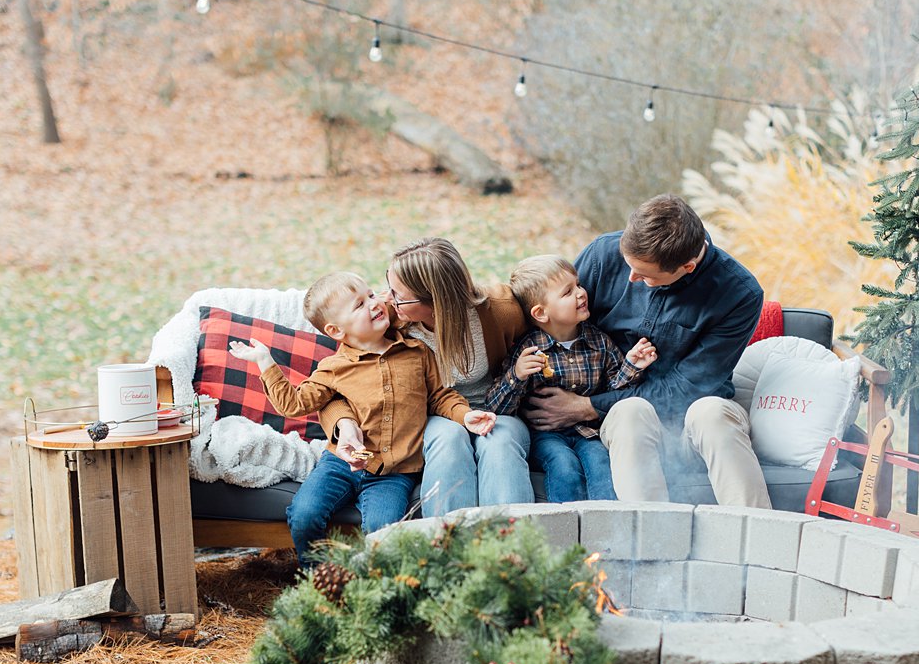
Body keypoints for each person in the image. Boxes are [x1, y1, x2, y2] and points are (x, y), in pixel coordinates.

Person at [228, 271, 495, 564]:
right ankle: (319, 580)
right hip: (339, 465)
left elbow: (440, 397)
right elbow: (294, 403)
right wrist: (265, 363)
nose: (374, 303)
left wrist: (465, 415)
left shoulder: (416, 353)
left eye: (370, 294)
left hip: (393, 473)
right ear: (336, 331)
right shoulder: (334, 367)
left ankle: (368, 586)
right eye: (359, 305)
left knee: (384, 532)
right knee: (305, 513)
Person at [522, 194, 769, 507]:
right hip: (621, 419)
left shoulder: (739, 293)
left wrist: (587, 406)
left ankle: (759, 541)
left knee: (713, 414)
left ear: (687, 266)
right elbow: (553, 319)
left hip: (689, 418)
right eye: (628, 264)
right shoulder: (603, 255)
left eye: (644, 274)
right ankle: (650, 547)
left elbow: (687, 389)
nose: (631, 278)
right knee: (631, 412)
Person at [325, 238, 534, 516]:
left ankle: (510, 550)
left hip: (497, 410)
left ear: (436, 302)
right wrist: (345, 423)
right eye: (388, 286)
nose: (387, 298)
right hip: (435, 417)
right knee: (448, 439)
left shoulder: (500, 312)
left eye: (399, 294)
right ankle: (445, 546)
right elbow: (336, 382)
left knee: (500, 443)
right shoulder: (388, 320)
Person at [484, 255, 658, 502]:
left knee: (599, 461)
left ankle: (607, 529)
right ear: (541, 313)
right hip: (546, 435)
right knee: (563, 465)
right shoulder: (528, 351)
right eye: (567, 292)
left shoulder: (599, 342)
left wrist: (631, 365)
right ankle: (565, 530)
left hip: (588, 431)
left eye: (578, 284)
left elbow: (612, 392)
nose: (580, 293)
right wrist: (517, 375)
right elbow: (496, 407)